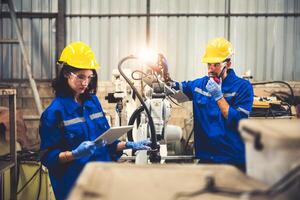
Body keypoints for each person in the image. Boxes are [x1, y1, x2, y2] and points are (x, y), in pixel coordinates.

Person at [39, 41, 151, 200]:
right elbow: (47, 158)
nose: (85, 83)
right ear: (66, 74)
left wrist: (128, 144)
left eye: (89, 77)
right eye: (80, 77)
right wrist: (74, 154)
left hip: (103, 183)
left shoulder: (92, 102)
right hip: (75, 188)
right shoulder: (54, 113)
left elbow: (105, 144)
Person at [173, 38, 253, 172]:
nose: (211, 69)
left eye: (216, 64)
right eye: (209, 64)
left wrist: (219, 96)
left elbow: (239, 121)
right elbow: (178, 88)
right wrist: (164, 80)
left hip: (233, 160)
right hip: (206, 158)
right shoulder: (200, 85)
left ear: (228, 64)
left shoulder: (243, 87)